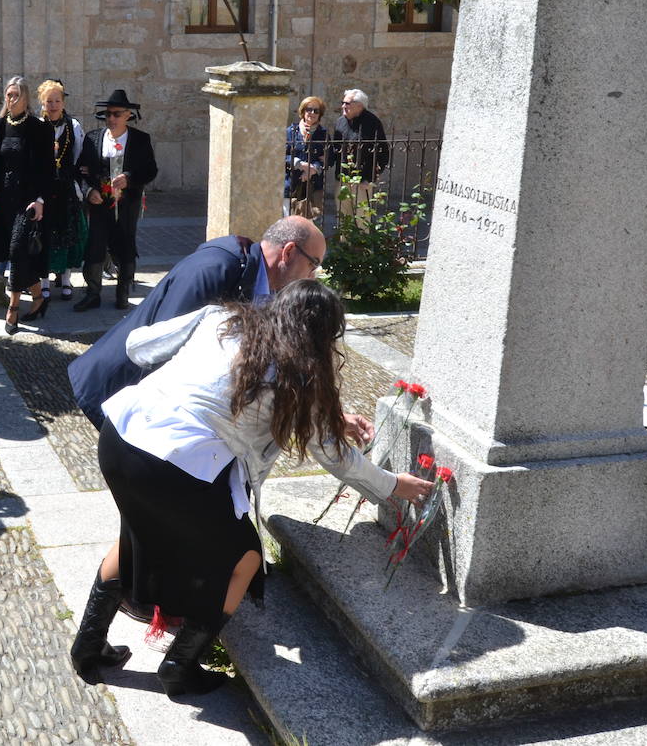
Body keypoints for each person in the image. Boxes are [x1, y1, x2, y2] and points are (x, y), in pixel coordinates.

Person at [69, 280, 435, 695]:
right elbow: (336, 457)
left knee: (135, 534)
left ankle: (87, 647)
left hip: (122, 434)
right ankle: (179, 666)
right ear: (323, 336)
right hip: (175, 464)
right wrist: (392, 486)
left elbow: (140, 346)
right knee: (243, 558)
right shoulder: (299, 373)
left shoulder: (222, 318)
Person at [70, 216, 326, 431]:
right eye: (313, 264)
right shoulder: (216, 270)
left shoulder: (263, 284)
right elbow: (163, 345)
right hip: (118, 388)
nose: (312, 276)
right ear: (289, 252)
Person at [74, 88, 158, 312]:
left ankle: (123, 293)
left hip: (128, 203)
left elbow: (150, 170)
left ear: (128, 115)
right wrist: (89, 189)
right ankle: (92, 293)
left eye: (116, 114)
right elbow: (80, 170)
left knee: (125, 245)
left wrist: (130, 178)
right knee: (95, 246)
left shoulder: (141, 140)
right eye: (108, 114)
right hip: (100, 203)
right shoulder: (93, 138)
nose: (111, 118)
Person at [0, 76, 54, 334]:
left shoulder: (39, 127)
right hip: (5, 200)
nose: (10, 99)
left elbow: (48, 170)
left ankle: (12, 308)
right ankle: (39, 296)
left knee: (16, 250)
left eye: (15, 95)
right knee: (17, 252)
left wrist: (41, 199)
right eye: (8, 95)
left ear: (25, 98)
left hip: (29, 200)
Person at [38, 78, 87, 302]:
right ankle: (45, 281)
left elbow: (77, 156)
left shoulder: (73, 126)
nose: (54, 105)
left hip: (66, 187)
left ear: (63, 102)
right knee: (45, 233)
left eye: (57, 100)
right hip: (44, 189)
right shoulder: (36, 126)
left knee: (68, 232)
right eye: (49, 101)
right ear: (42, 103)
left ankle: (66, 279)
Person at [332, 89, 389, 223]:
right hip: (343, 178)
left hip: (363, 181)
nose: (343, 106)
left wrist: (370, 178)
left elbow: (383, 153)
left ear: (359, 105)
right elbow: (335, 149)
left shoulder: (372, 123)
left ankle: (361, 244)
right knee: (343, 218)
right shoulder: (340, 122)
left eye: (347, 103)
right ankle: (345, 244)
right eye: (343, 103)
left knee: (362, 219)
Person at [284, 96, 332, 222]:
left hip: (313, 187)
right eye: (309, 109)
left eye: (316, 111)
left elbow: (330, 158)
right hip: (291, 185)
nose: (312, 113)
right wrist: (301, 164)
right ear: (303, 111)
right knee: (289, 222)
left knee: (309, 226)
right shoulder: (291, 132)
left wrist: (313, 169)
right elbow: (282, 155)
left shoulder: (324, 134)